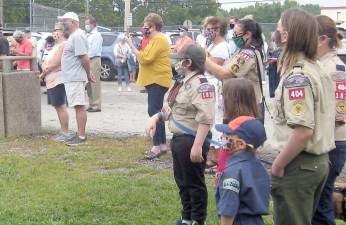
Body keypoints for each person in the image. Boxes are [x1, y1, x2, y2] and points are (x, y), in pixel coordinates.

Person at [270, 9, 335, 225]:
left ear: (287, 35)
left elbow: (303, 131)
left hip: (299, 165)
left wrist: (278, 165)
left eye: (278, 30)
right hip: (316, 163)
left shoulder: (297, 76)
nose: (275, 35)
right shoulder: (316, 68)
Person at [146, 44, 215, 225]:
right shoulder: (181, 82)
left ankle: (198, 220)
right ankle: (187, 217)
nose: (176, 64)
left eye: (179, 60)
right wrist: (156, 117)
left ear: (188, 62)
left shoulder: (202, 85)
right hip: (178, 140)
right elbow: (172, 110)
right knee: (182, 181)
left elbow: (205, 119)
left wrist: (198, 145)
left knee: (195, 183)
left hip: (192, 140)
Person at [312, 15, 346, 225]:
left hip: (332, 143)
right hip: (330, 142)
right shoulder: (324, 65)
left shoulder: (333, 69)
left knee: (322, 206)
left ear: (322, 39)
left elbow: (339, 115)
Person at [126, 13, 172, 159]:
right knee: (157, 112)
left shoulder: (158, 39)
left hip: (158, 79)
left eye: (146, 27)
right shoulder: (153, 39)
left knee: (153, 113)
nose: (143, 29)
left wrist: (131, 44)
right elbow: (145, 54)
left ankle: (156, 146)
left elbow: (145, 58)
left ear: (153, 26)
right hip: (155, 79)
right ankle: (162, 145)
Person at [204, 18, 265, 121]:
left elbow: (225, 73)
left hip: (245, 107)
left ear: (247, 34)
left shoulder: (247, 54)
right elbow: (223, 76)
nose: (234, 37)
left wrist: (203, 58)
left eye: (236, 34)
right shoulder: (242, 51)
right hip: (238, 104)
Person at [215, 116, 269, 225]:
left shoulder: (232, 172)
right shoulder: (259, 167)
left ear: (240, 144)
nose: (223, 137)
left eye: (228, 135)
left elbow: (228, 211)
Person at [59, 12, 95, 146]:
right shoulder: (74, 36)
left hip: (75, 77)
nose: (63, 23)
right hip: (71, 77)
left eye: (65, 21)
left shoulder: (78, 36)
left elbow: (84, 58)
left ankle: (81, 136)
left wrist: (88, 73)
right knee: (76, 105)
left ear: (73, 22)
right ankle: (79, 133)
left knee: (79, 106)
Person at [216, 78, 260, 176]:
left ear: (233, 100)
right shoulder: (237, 122)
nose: (220, 99)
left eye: (223, 96)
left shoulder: (243, 126)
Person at [203, 16, 231, 171]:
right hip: (209, 85)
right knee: (210, 121)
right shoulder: (212, 45)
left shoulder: (222, 47)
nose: (207, 32)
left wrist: (204, 57)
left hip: (217, 86)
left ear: (217, 30)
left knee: (217, 122)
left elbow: (213, 66)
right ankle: (213, 157)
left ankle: (219, 159)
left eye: (209, 29)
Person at [40, 22, 72, 142]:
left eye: (56, 29)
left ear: (63, 31)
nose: (54, 32)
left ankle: (65, 132)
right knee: (57, 106)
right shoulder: (57, 45)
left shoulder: (63, 44)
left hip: (58, 79)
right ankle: (63, 131)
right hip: (52, 79)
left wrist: (43, 74)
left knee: (60, 106)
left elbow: (55, 63)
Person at [85, 16, 103, 112]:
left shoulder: (96, 35)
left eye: (88, 24)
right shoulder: (88, 35)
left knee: (94, 83)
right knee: (88, 84)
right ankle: (91, 103)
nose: (86, 26)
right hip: (88, 60)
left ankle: (96, 105)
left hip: (94, 59)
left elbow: (93, 51)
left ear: (93, 24)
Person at [267, 30, 281, 98]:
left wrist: (276, 60)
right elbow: (268, 53)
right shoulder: (271, 44)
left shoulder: (283, 47)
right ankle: (273, 93)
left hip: (278, 69)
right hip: (272, 67)